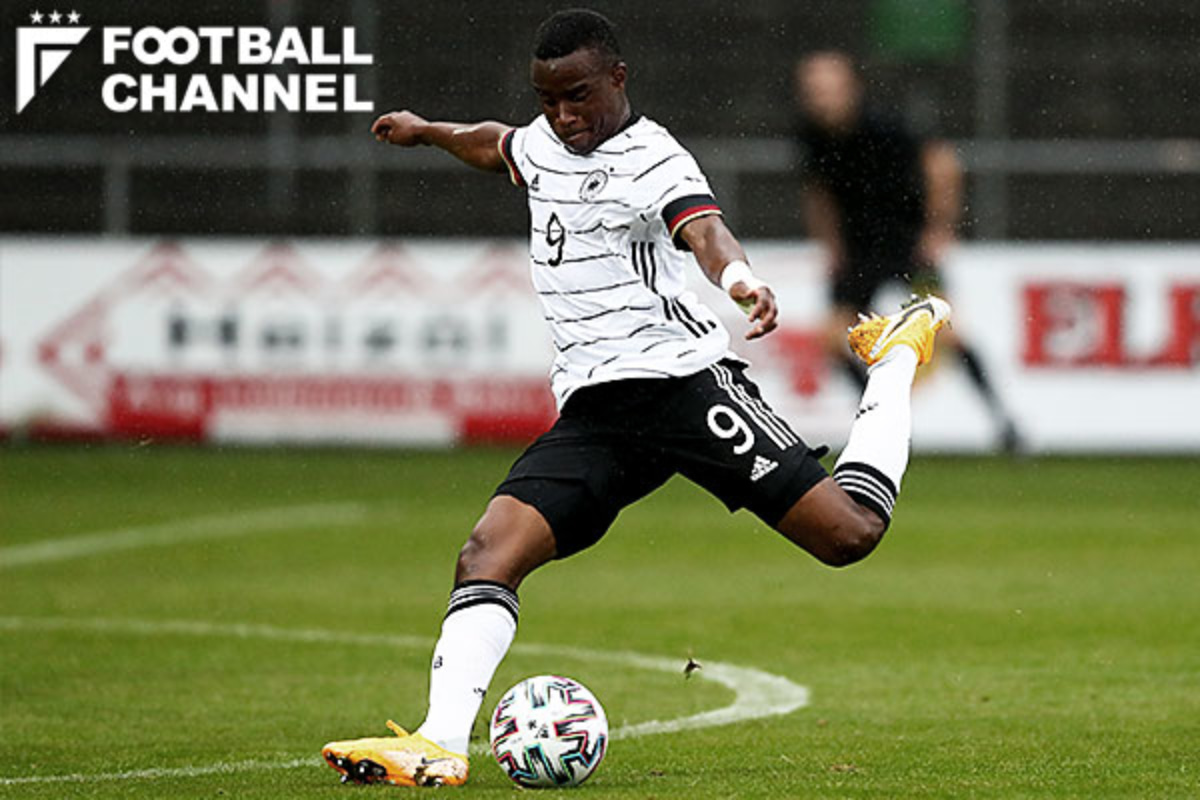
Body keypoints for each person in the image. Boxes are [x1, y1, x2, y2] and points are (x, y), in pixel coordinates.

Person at [322, 11, 950, 787]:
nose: (563, 115)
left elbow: (706, 232)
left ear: (617, 78)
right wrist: (426, 132)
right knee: (487, 554)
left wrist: (741, 280)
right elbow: (495, 144)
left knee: (848, 534)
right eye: (548, 100)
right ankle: (439, 742)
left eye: (578, 96)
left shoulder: (654, 159)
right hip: (597, 412)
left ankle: (894, 355)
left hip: (682, 386)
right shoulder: (543, 144)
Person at [794, 50, 1021, 451]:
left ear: (852, 88)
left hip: (907, 245)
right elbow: (819, 192)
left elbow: (943, 164)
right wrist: (831, 245)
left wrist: (939, 227)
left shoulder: (885, 126)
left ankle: (1005, 424)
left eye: (828, 89)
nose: (821, 99)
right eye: (813, 91)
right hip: (859, 251)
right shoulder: (810, 136)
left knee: (949, 333)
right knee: (833, 340)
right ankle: (882, 420)